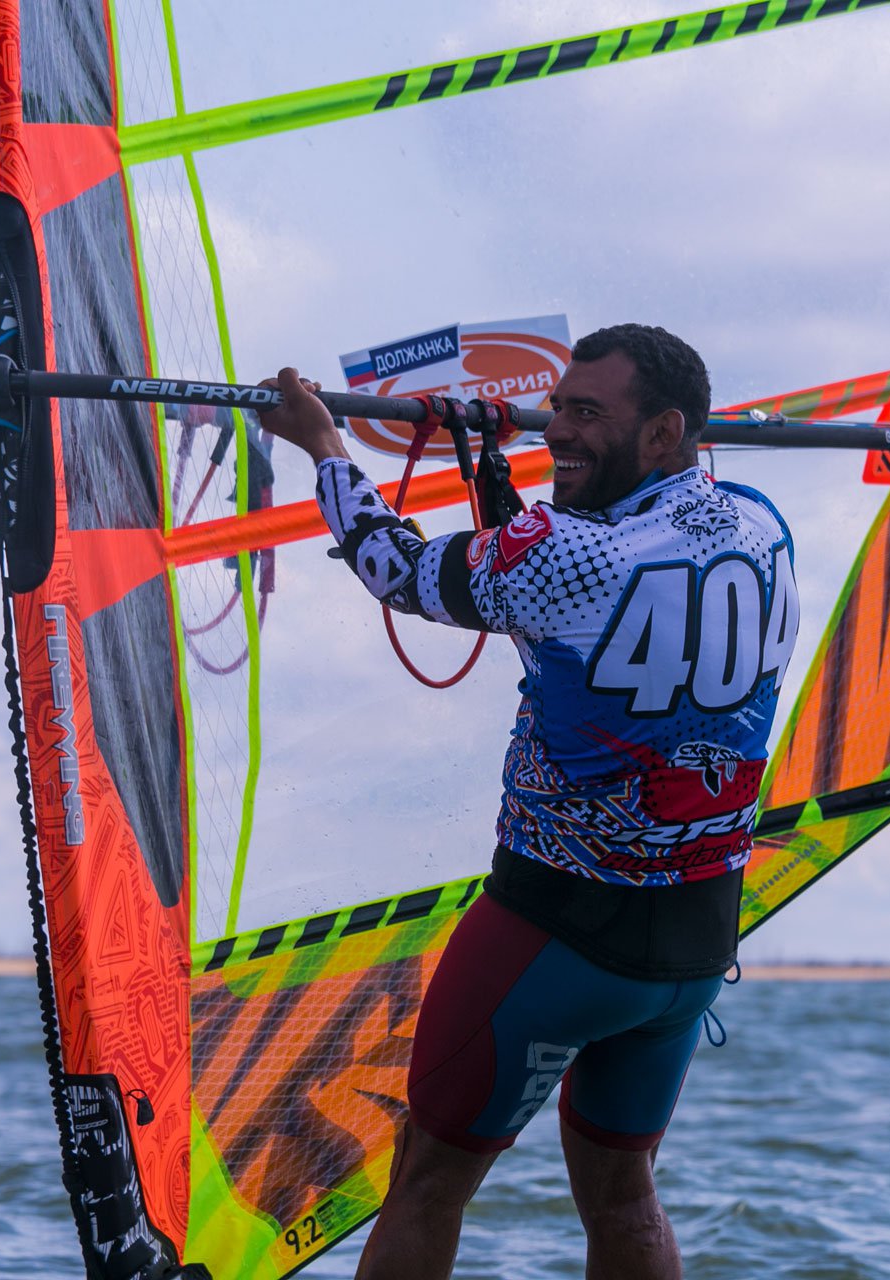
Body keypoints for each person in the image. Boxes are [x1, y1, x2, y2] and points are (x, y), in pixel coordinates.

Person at [259, 324, 800, 1280]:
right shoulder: (763, 526)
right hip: (691, 946)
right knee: (623, 1194)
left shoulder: (564, 555)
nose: (558, 432)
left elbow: (399, 569)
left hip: (556, 936)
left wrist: (324, 446)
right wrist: (509, 475)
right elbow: (563, 590)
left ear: (665, 433)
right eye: (556, 409)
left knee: (428, 1181)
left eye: (587, 414)